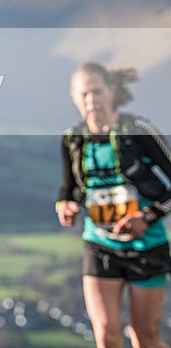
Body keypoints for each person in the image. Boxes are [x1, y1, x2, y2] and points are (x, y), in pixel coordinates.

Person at [57, 62, 171, 348]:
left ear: (111, 91)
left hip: (147, 246)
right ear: (73, 97)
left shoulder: (138, 130)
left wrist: (147, 216)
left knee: (144, 336)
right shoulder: (72, 139)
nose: (91, 100)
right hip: (100, 246)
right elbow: (69, 188)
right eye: (83, 94)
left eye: (96, 92)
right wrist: (65, 206)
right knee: (106, 334)